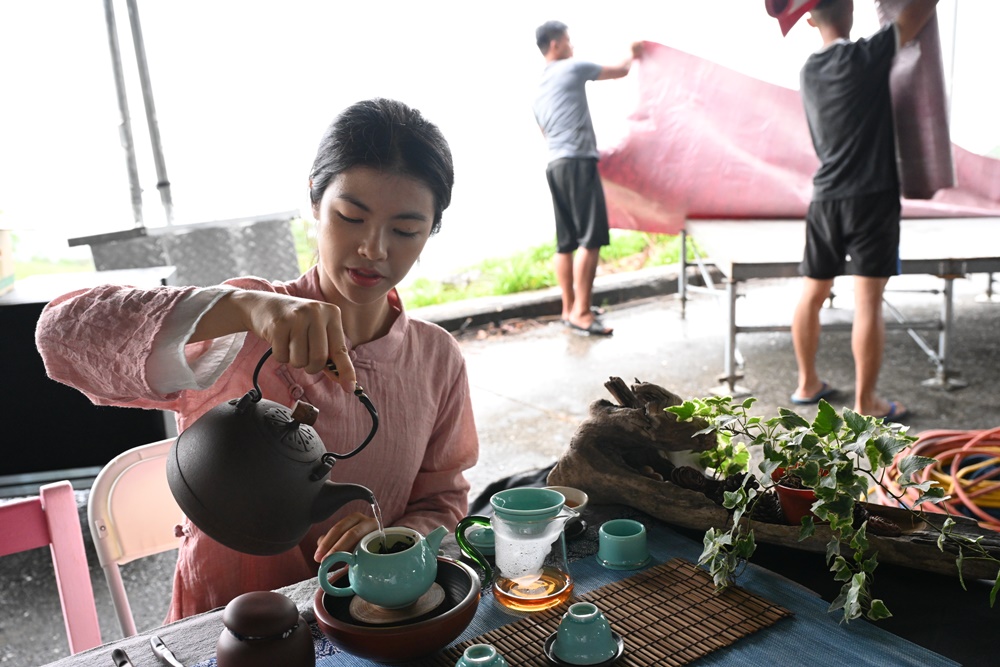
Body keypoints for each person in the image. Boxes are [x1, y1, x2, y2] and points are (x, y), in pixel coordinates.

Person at [35, 98, 479, 621]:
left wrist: (400, 536)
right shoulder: (240, 324)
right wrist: (244, 306)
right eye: (351, 216)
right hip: (225, 627)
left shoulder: (435, 358)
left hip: (371, 623)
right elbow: (59, 335)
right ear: (315, 201)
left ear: (431, 231)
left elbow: (444, 500)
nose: (373, 248)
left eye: (405, 230)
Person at [791, 0, 940, 419]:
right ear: (852, 9)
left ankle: (807, 383)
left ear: (807, 18)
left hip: (825, 196)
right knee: (868, 301)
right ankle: (866, 403)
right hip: (871, 196)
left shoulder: (809, 70)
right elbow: (920, 9)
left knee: (813, 290)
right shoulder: (867, 55)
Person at [532, 20, 642, 337]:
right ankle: (581, 312)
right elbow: (621, 69)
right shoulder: (572, 68)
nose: (572, 45)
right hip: (578, 163)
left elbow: (544, 132)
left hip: (555, 164)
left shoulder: (538, 88)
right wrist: (632, 51)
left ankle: (569, 308)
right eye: (568, 40)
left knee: (565, 243)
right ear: (555, 44)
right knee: (590, 240)